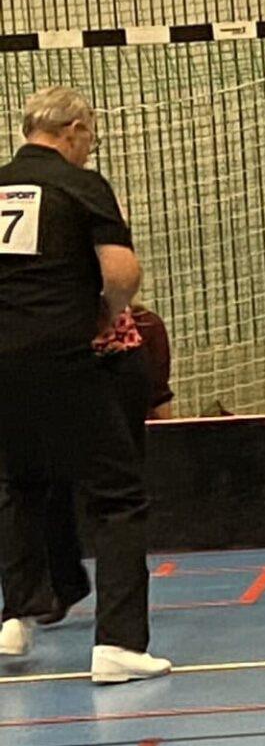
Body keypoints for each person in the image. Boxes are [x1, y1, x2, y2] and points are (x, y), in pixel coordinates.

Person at [0, 87, 170, 682]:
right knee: (118, 495)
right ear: (72, 130)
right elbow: (122, 271)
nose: (90, 146)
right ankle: (119, 644)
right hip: (65, 354)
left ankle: (15, 616)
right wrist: (104, 312)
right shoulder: (81, 184)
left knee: (19, 482)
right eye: (89, 136)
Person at [1, 299, 175, 627]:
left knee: (113, 497)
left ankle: (115, 630)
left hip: (101, 361)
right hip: (53, 364)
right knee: (42, 484)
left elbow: (120, 277)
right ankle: (58, 598)